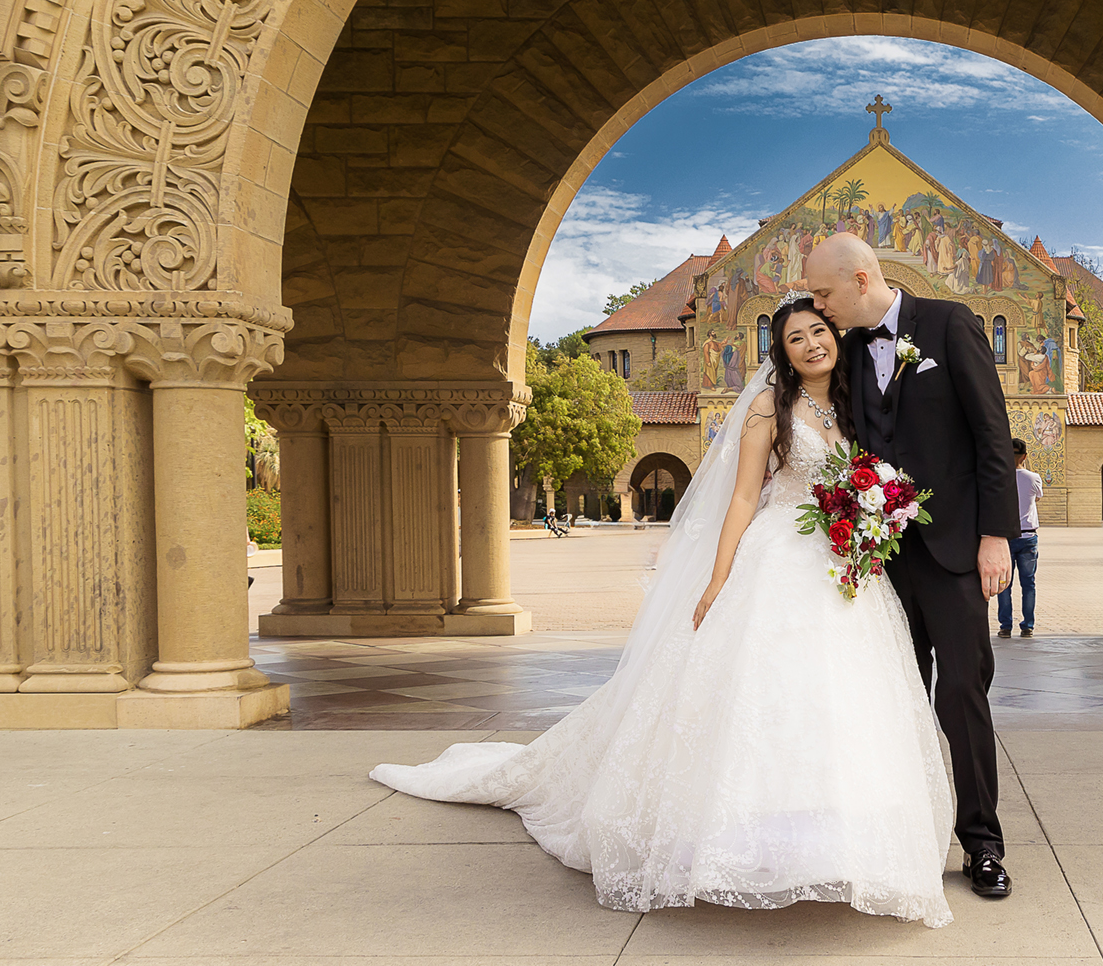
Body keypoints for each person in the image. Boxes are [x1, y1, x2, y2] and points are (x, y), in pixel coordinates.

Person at [369, 295, 954, 927]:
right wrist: (718, 578)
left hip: (842, 565)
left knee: (839, 698)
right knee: (759, 691)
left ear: (835, 336)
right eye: (794, 339)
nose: (811, 344)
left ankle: (833, 839)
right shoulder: (768, 408)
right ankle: (740, 838)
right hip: (778, 554)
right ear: (779, 354)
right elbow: (740, 500)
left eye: (819, 331)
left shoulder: (855, 402)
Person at [806, 232, 1018, 901]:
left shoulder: (951, 326)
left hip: (954, 551)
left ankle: (981, 845)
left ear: (861, 280)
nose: (817, 306)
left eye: (823, 293)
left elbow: (992, 436)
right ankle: (899, 840)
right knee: (889, 700)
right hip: (880, 563)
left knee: (961, 696)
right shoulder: (844, 353)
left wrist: (996, 537)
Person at [996, 439, 1040, 638]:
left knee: (1005, 584)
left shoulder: (999, 478)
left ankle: (1006, 626)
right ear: (1024, 456)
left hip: (1006, 537)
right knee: (1028, 583)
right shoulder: (1033, 478)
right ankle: (1027, 625)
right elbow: (1037, 497)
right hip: (1028, 536)